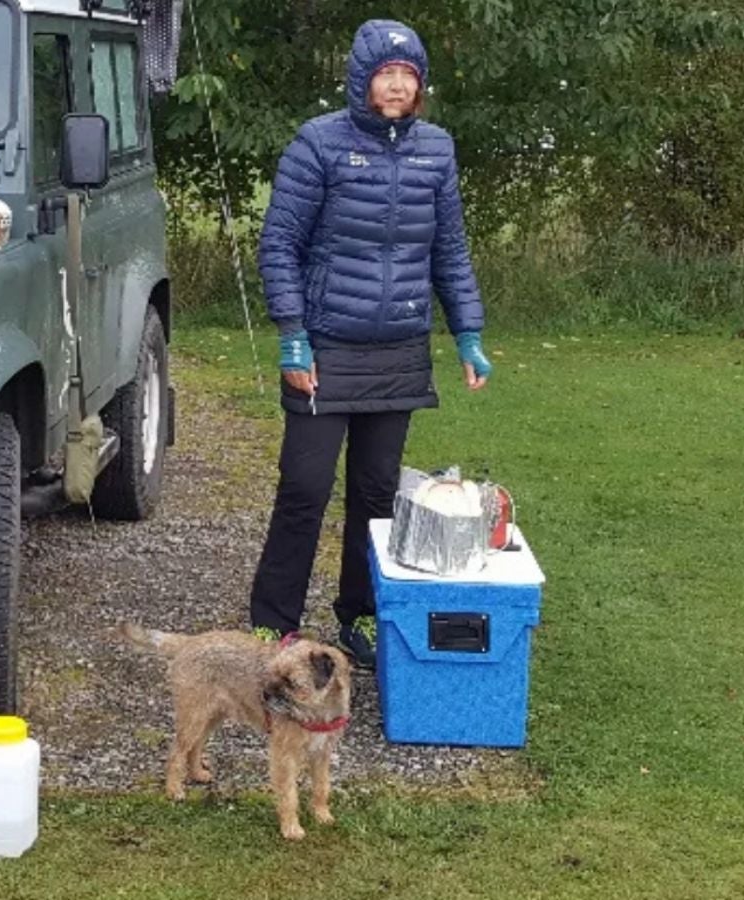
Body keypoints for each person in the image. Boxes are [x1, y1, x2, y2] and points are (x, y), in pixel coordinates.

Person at [247, 19, 491, 668]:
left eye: (407, 77)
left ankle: (359, 616)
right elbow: (279, 246)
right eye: (385, 74)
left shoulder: (436, 150)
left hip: (399, 349)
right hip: (326, 346)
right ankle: (273, 626)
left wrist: (468, 332)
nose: (395, 86)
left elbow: (449, 250)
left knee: (377, 494)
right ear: (362, 79)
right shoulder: (319, 144)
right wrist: (293, 337)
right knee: (304, 486)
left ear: (420, 86)